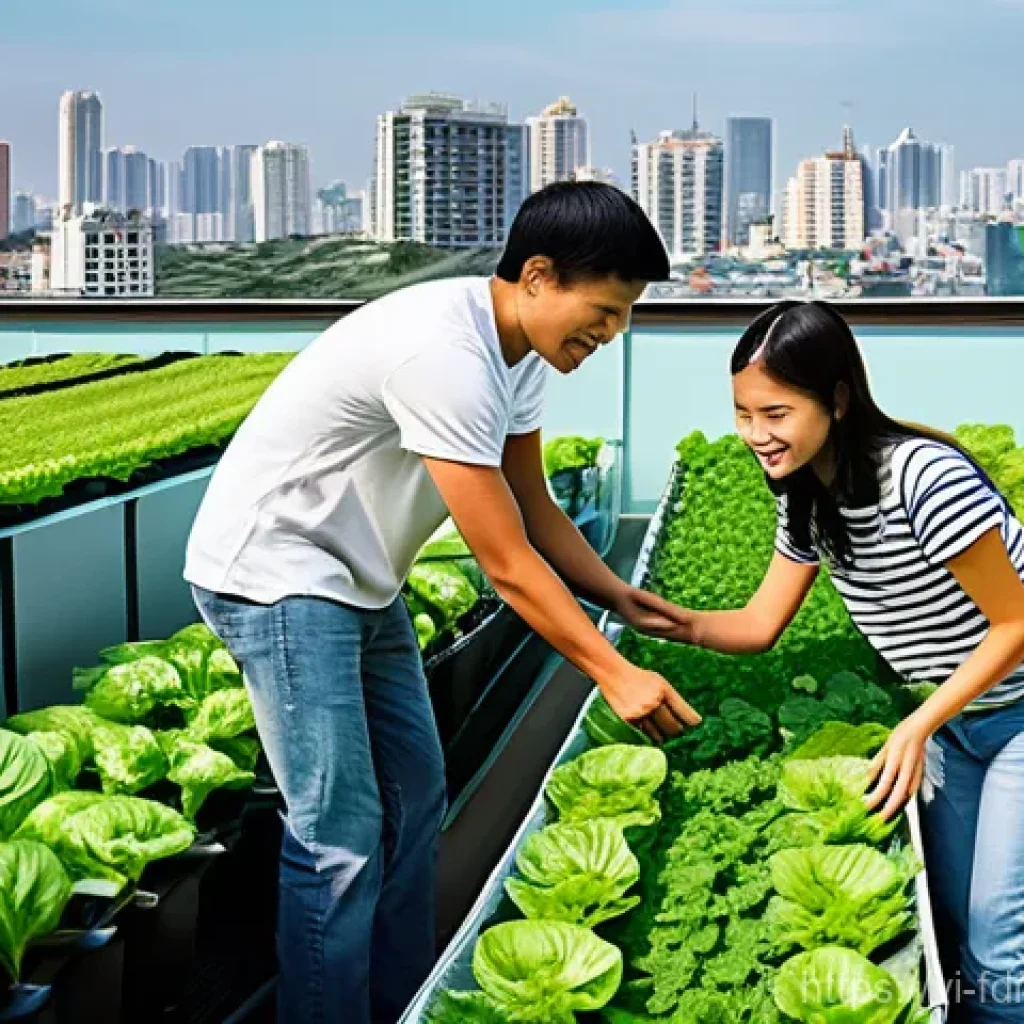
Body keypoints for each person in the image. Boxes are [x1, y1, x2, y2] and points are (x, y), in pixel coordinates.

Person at [183, 181, 700, 1024]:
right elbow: (505, 561)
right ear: (539, 276)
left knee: (417, 793)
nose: (612, 333)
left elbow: (532, 506)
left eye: (624, 316)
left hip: (357, 575)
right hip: (277, 575)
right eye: (605, 311)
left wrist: (620, 597)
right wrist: (613, 672)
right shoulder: (446, 357)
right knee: (337, 834)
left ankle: (401, 1003)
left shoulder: (516, 354)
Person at [657, 299, 1024, 1024]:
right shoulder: (807, 495)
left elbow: (1016, 623)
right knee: (947, 919)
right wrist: (639, 613)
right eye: (743, 414)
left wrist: (917, 724)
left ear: (838, 399)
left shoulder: (922, 477)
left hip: (1013, 716)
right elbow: (759, 624)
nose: (755, 435)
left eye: (776, 413)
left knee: (996, 941)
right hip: (955, 725)